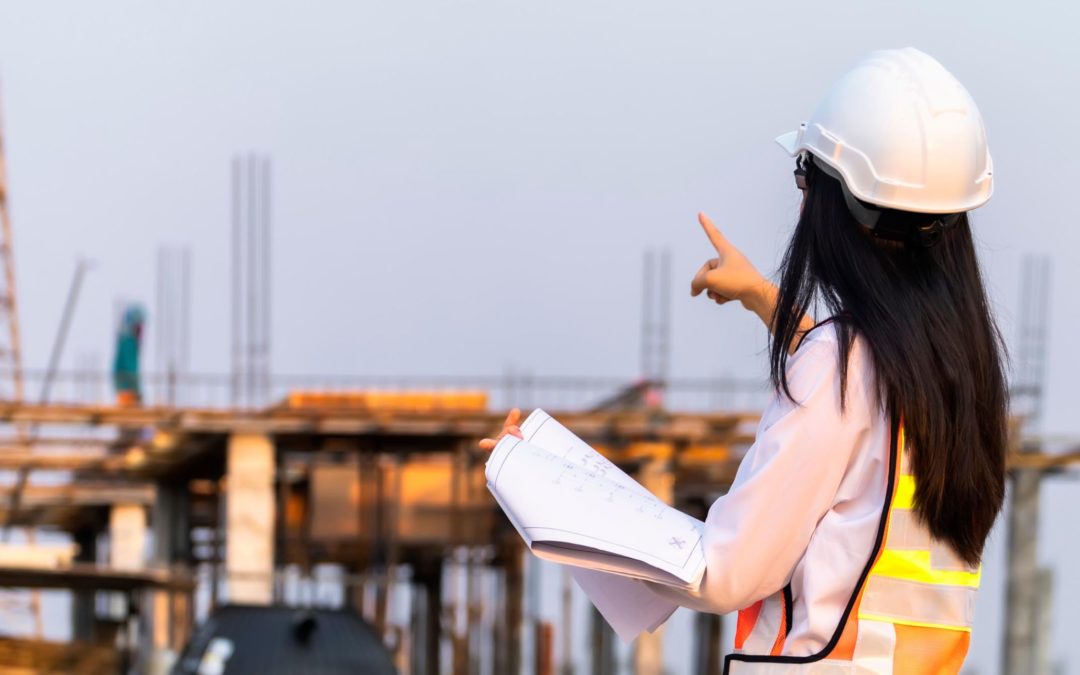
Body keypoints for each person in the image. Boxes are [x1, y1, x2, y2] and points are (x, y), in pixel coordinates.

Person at [481, 47, 1006, 673]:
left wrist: (541, 486)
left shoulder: (836, 368)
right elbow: (864, 400)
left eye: (806, 179)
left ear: (841, 205)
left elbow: (725, 570)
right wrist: (764, 298)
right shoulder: (965, 377)